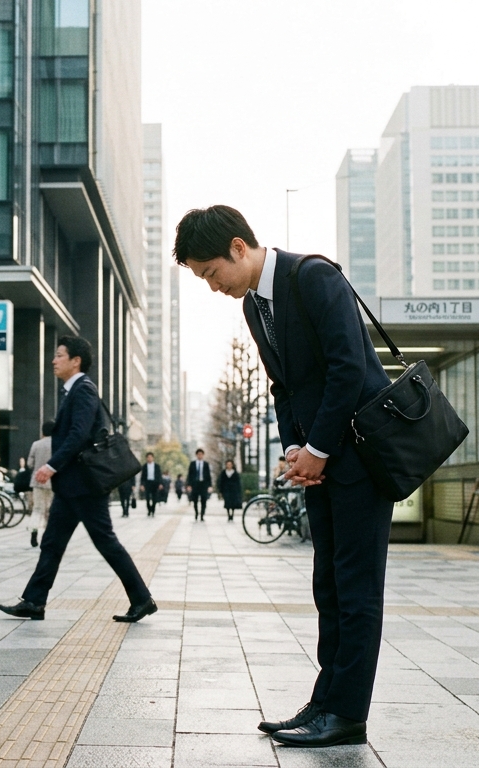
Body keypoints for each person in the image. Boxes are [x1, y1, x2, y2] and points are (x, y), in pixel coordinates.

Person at [175, 205, 393, 749]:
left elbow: (349, 366)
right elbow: (283, 387)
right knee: (329, 585)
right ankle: (326, 701)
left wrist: (317, 448)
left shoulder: (314, 276)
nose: (213, 287)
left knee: (357, 588)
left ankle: (348, 714)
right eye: (203, 279)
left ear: (238, 247)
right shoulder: (255, 305)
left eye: (211, 273)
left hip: (360, 458)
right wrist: (295, 446)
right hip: (321, 464)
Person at [0, 337, 156, 624]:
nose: (54, 360)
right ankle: (34, 601)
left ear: (76, 361)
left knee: (106, 542)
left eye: (59, 355)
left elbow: (79, 435)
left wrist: (51, 465)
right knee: (52, 543)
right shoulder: (74, 390)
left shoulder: (83, 390)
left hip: (84, 487)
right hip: (72, 487)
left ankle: (142, 599)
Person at [27, 421, 55, 547]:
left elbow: (30, 464)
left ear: (43, 431)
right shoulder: (57, 444)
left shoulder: (36, 444)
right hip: (52, 481)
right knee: (50, 510)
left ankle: (34, 532)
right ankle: (47, 536)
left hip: (37, 481)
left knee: (37, 509)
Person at [186, 449, 213, 521]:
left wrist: (210, 486)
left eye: (201, 454)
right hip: (195, 484)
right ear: (196, 455)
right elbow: (189, 475)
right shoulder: (192, 464)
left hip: (203, 484)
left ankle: (202, 515)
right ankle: (196, 513)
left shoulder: (206, 464)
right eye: (198, 454)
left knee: (204, 500)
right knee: (195, 500)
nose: (200, 455)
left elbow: (208, 476)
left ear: (203, 455)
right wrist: (189, 485)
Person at [139, 452, 165, 517]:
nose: (149, 458)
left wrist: (160, 484)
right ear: (146, 458)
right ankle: (149, 510)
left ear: (153, 458)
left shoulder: (157, 466)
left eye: (150, 457)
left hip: (155, 483)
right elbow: (142, 477)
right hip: (147, 483)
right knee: (147, 498)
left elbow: (159, 476)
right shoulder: (144, 466)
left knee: (154, 498)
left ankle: (153, 510)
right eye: (148, 457)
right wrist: (142, 485)